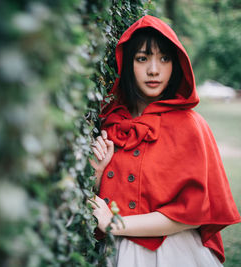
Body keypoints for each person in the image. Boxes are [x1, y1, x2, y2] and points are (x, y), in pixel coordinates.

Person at [87, 15, 241, 267]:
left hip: (171, 254)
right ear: (128, 63)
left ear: (176, 64)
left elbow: (193, 216)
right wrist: (97, 170)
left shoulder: (190, 125)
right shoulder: (110, 121)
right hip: (114, 254)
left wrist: (116, 223)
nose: (154, 70)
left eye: (164, 58)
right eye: (142, 58)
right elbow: (94, 202)